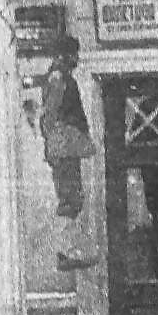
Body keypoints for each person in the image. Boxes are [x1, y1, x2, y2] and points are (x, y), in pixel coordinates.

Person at [39, 34, 99, 271]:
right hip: (64, 146)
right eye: (74, 54)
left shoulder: (60, 77)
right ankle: (64, 251)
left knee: (73, 199)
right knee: (70, 200)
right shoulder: (58, 78)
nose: (77, 58)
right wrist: (54, 146)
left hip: (65, 146)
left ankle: (67, 249)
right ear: (64, 55)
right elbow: (50, 116)